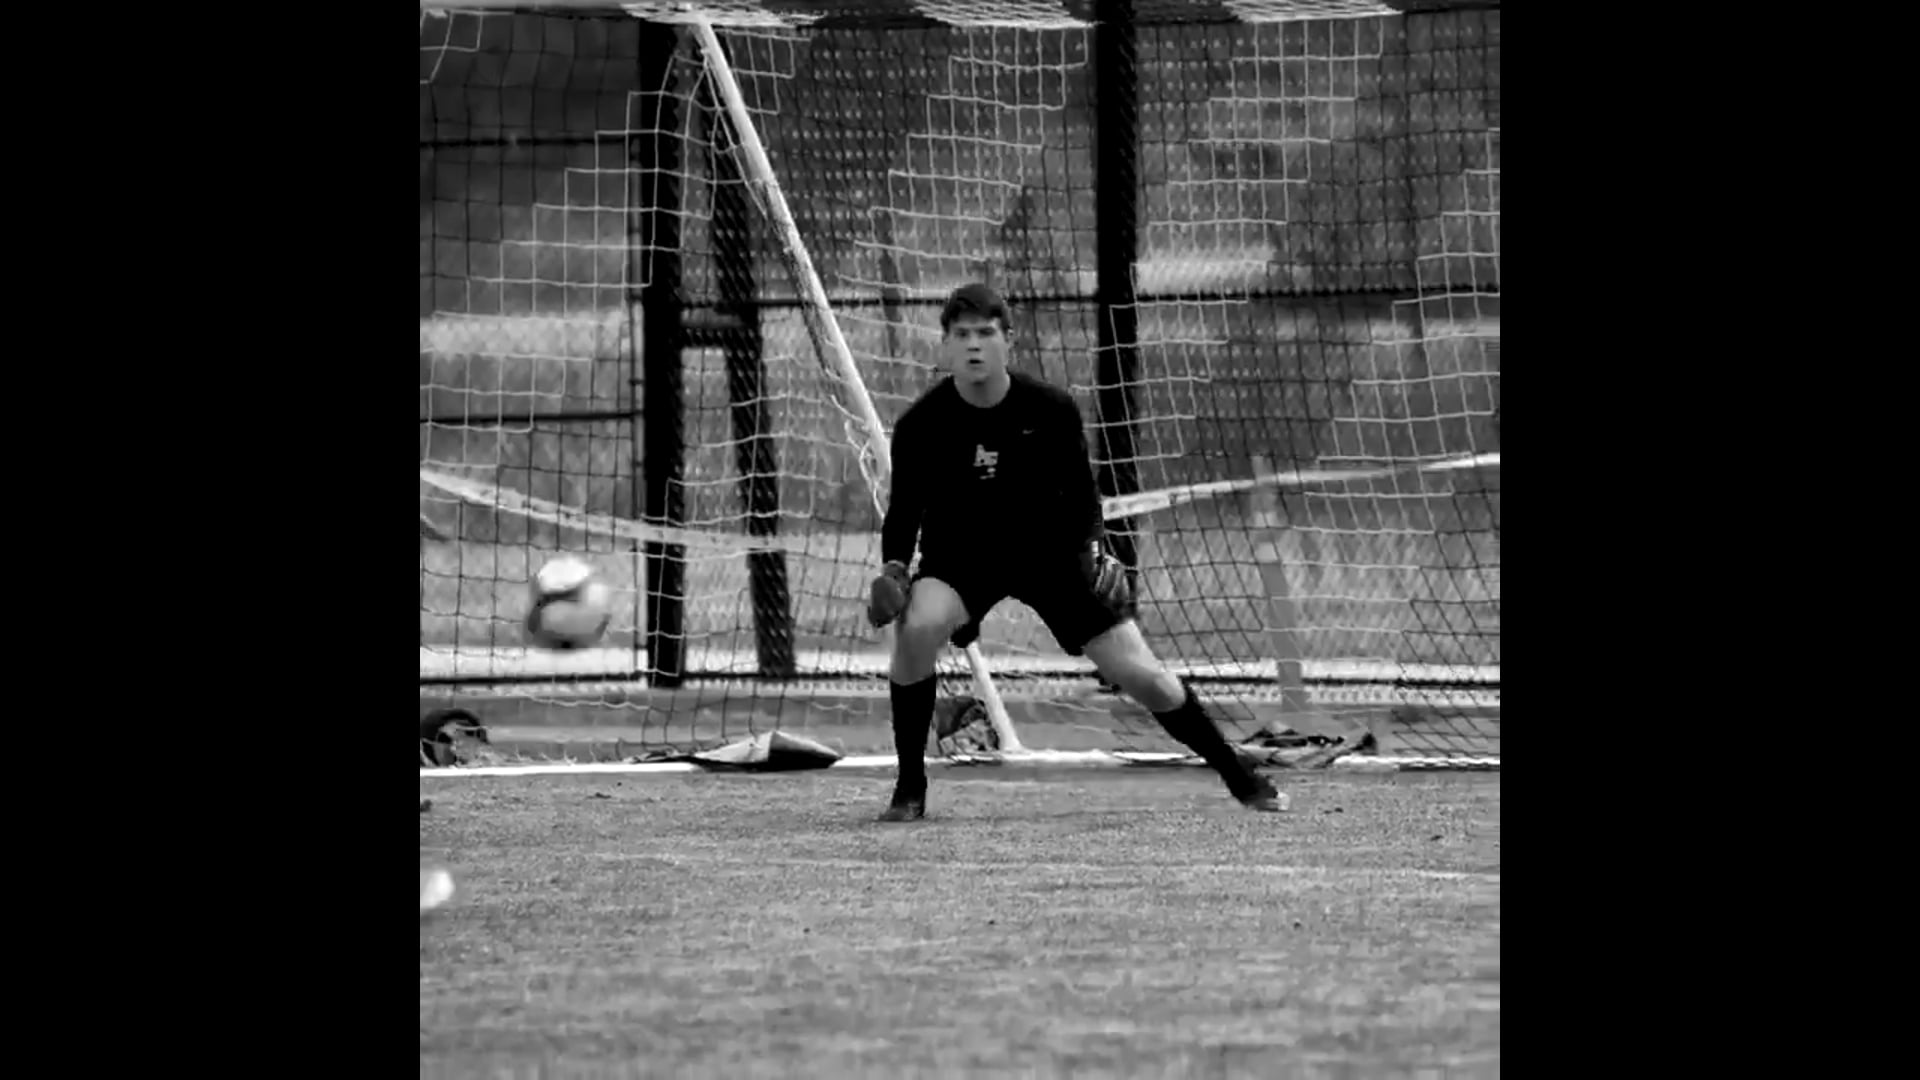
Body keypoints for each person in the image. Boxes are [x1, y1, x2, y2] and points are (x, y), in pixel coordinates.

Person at [866, 283, 1286, 821]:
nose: (974, 344)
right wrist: (894, 570)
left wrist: (1097, 550)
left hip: (1051, 556)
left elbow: (1085, 498)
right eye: (962, 334)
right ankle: (910, 787)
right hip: (960, 562)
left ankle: (1237, 774)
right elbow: (903, 512)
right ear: (945, 345)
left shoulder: (1050, 407)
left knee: (1143, 675)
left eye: (986, 332)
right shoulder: (920, 424)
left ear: (1008, 340)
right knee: (917, 628)